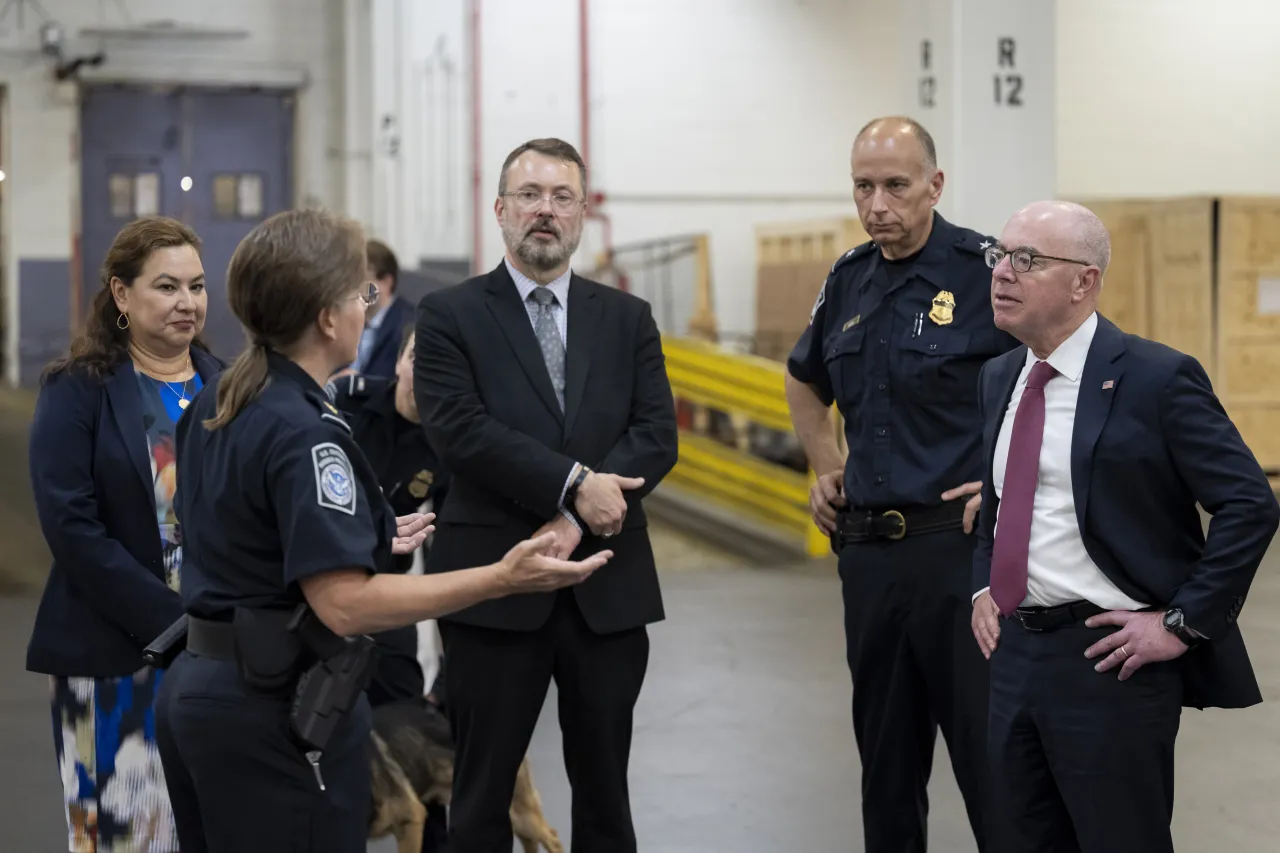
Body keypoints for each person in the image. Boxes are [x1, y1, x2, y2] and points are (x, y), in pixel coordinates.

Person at [153, 207, 612, 853]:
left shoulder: (219, 399)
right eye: (359, 292)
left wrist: (358, 532)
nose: (367, 307)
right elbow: (344, 603)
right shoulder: (306, 432)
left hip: (200, 691)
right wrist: (501, 578)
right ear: (327, 315)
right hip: (271, 705)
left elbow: (237, 531)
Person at [970, 200, 1280, 853]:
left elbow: (1250, 503)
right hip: (1014, 658)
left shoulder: (1155, 378)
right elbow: (998, 503)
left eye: (1027, 260)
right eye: (999, 254)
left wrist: (1183, 621)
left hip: (1108, 662)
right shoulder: (1001, 376)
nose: (1002, 272)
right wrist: (981, 588)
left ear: (1085, 281)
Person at [414, 137, 679, 852]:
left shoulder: (627, 319)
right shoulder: (448, 315)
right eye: (529, 195)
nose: (544, 210)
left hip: (607, 593)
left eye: (561, 197)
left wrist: (574, 517)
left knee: (605, 795)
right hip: (493, 592)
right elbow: (460, 433)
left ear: (582, 214)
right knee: (480, 796)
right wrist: (574, 486)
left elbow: (656, 435)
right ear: (499, 209)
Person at [783, 116, 1019, 852]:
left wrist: (1008, 480)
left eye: (895, 185)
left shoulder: (989, 272)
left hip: (963, 558)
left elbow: (1051, 379)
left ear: (934, 185)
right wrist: (826, 463)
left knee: (993, 765)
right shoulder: (848, 277)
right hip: (871, 562)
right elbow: (803, 378)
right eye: (863, 186)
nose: (877, 203)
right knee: (886, 768)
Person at [25, 216, 219, 853]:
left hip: (221, 662)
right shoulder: (75, 391)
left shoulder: (233, 388)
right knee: (123, 837)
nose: (186, 302)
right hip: (112, 658)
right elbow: (72, 527)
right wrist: (175, 622)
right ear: (121, 294)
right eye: (166, 286)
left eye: (195, 286)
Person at [327, 325, 451, 851]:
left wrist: (446, 673)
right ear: (399, 359)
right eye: (417, 356)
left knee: (415, 741)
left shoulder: (450, 444)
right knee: (325, 749)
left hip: (387, 606)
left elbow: (449, 559)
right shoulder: (347, 403)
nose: (424, 371)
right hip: (325, 599)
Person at [351, 238, 414, 379]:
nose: (356, 288)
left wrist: (356, 381)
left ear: (386, 282)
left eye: (364, 280)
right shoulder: (351, 320)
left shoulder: (407, 327)